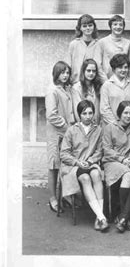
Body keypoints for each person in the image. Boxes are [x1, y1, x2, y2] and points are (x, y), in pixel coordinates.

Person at [59, 100, 108, 231]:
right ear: (79, 115)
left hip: (91, 163)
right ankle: (102, 217)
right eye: (84, 113)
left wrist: (91, 161)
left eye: (90, 113)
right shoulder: (72, 130)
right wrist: (77, 161)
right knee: (85, 178)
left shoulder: (98, 130)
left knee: (96, 174)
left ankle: (99, 217)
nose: (88, 116)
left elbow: (100, 150)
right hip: (74, 166)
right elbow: (63, 153)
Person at [102, 101, 130, 233]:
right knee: (128, 174)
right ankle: (126, 217)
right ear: (120, 114)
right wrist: (122, 159)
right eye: (126, 112)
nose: (129, 115)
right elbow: (106, 149)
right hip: (113, 161)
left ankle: (123, 217)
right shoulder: (110, 127)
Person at [45, 61, 77, 213]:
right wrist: (67, 126)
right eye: (62, 72)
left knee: (66, 164)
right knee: (54, 166)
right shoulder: (52, 91)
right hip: (56, 133)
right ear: (56, 74)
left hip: (67, 133)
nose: (65, 76)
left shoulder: (68, 89)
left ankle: (65, 196)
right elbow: (51, 115)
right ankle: (52, 198)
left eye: (67, 73)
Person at [100, 54, 130, 126]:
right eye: (120, 67)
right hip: (111, 126)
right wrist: (117, 124)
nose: (123, 70)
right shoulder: (106, 86)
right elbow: (104, 109)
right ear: (113, 69)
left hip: (129, 126)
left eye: (125, 67)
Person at [66, 14, 100, 84]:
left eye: (90, 25)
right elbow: (68, 64)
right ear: (80, 28)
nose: (88, 28)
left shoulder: (99, 44)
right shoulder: (74, 44)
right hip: (76, 82)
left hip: (93, 83)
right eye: (84, 26)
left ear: (94, 27)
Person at [96, 15, 130, 82]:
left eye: (121, 25)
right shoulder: (102, 42)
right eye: (115, 24)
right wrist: (105, 81)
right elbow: (98, 64)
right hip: (107, 80)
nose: (118, 27)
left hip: (122, 81)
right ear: (110, 26)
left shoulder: (128, 43)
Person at [72, 59, 102, 125]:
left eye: (94, 71)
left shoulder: (97, 86)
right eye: (88, 71)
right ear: (83, 71)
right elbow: (77, 111)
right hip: (84, 126)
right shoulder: (77, 88)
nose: (91, 73)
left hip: (97, 126)